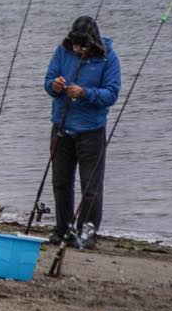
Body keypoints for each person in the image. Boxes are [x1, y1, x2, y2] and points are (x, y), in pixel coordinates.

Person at [45, 15, 121, 250]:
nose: (77, 49)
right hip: (62, 128)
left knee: (91, 186)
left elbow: (111, 94)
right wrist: (55, 86)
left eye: (82, 45)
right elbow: (48, 82)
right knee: (61, 182)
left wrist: (85, 93)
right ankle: (63, 229)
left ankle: (87, 232)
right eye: (75, 44)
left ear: (93, 42)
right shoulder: (62, 51)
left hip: (92, 131)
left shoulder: (109, 58)